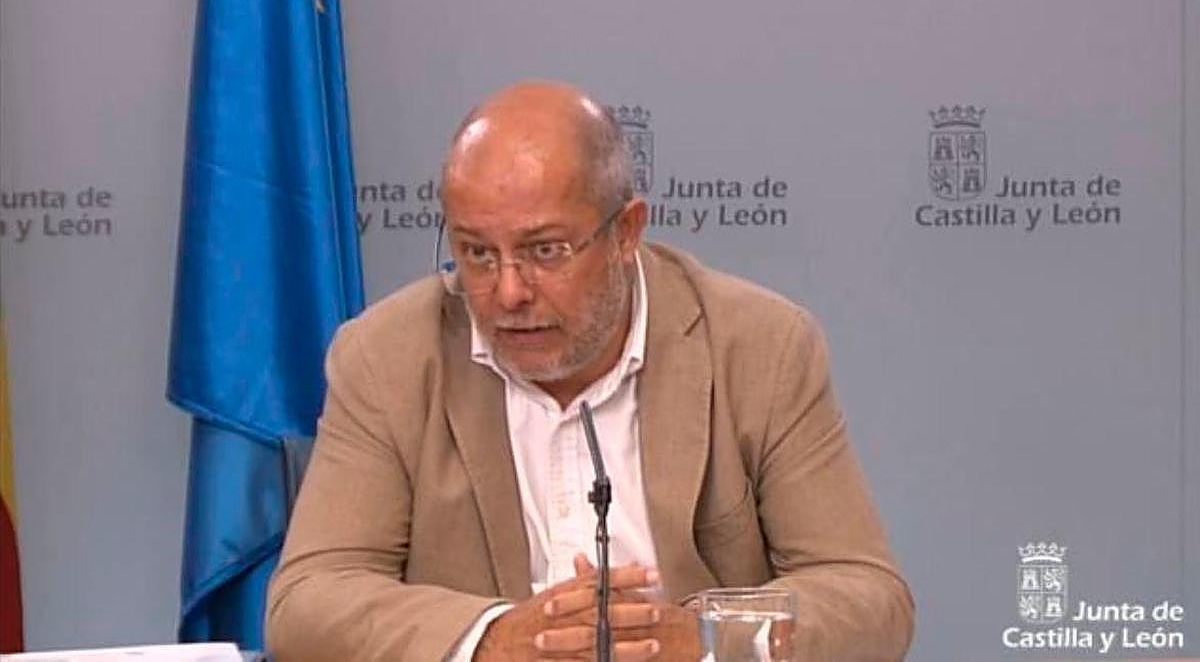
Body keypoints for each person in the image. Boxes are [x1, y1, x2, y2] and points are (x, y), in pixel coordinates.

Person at [265, 80, 914, 661]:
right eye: (477, 253)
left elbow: (869, 597)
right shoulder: (388, 356)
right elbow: (308, 603)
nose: (509, 291)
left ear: (626, 231)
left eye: (545, 250)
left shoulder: (758, 347)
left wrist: (706, 640)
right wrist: (492, 638)